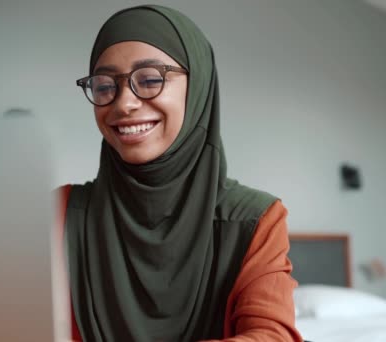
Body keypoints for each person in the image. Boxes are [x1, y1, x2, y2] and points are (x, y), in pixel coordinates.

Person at [57, 5, 303, 342]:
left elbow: (271, 335)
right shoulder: (62, 214)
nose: (123, 103)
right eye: (103, 86)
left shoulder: (254, 219)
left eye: (150, 80)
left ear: (198, 86)